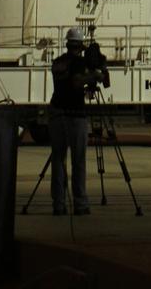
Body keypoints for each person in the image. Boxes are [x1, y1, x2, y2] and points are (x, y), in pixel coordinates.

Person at [48, 28, 109, 216]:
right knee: (78, 160)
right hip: (74, 114)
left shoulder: (57, 63)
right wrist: (95, 76)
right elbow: (76, 82)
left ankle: (58, 204)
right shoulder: (79, 63)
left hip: (56, 113)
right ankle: (80, 203)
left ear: (67, 44)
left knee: (58, 160)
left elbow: (66, 83)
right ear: (79, 46)